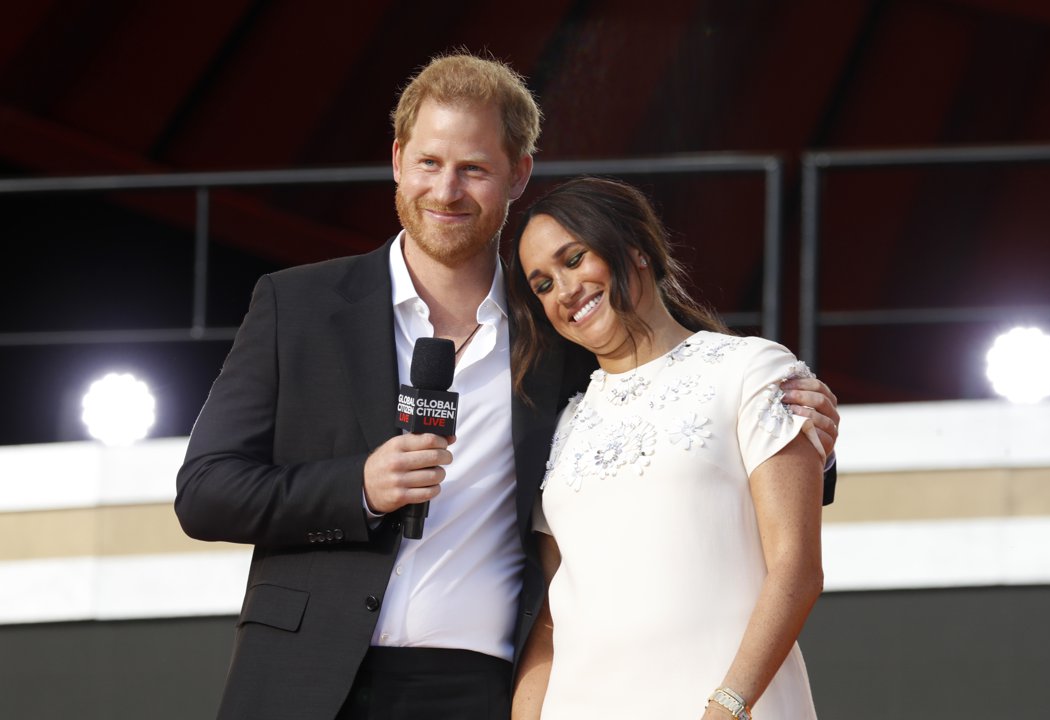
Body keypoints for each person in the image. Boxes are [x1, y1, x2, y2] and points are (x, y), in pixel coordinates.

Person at [175, 52, 841, 720]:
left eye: (473, 168)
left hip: (480, 691)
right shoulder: (297, 304)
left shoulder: (557, 331)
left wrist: (798, 431)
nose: (446, 191)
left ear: (517, 174)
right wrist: (359, 487)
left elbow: (664, 406)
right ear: (399, 160)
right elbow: (205, 492)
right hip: (305, 680)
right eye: (429, 162)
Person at [508, 176, 827, 719]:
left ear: (636, 247)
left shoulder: (750, 370)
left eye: (575, 259)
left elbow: (796, 569)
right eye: (542, 285)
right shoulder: (561, 427)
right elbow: (551, 623)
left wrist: (728, 706)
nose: (564, 291)